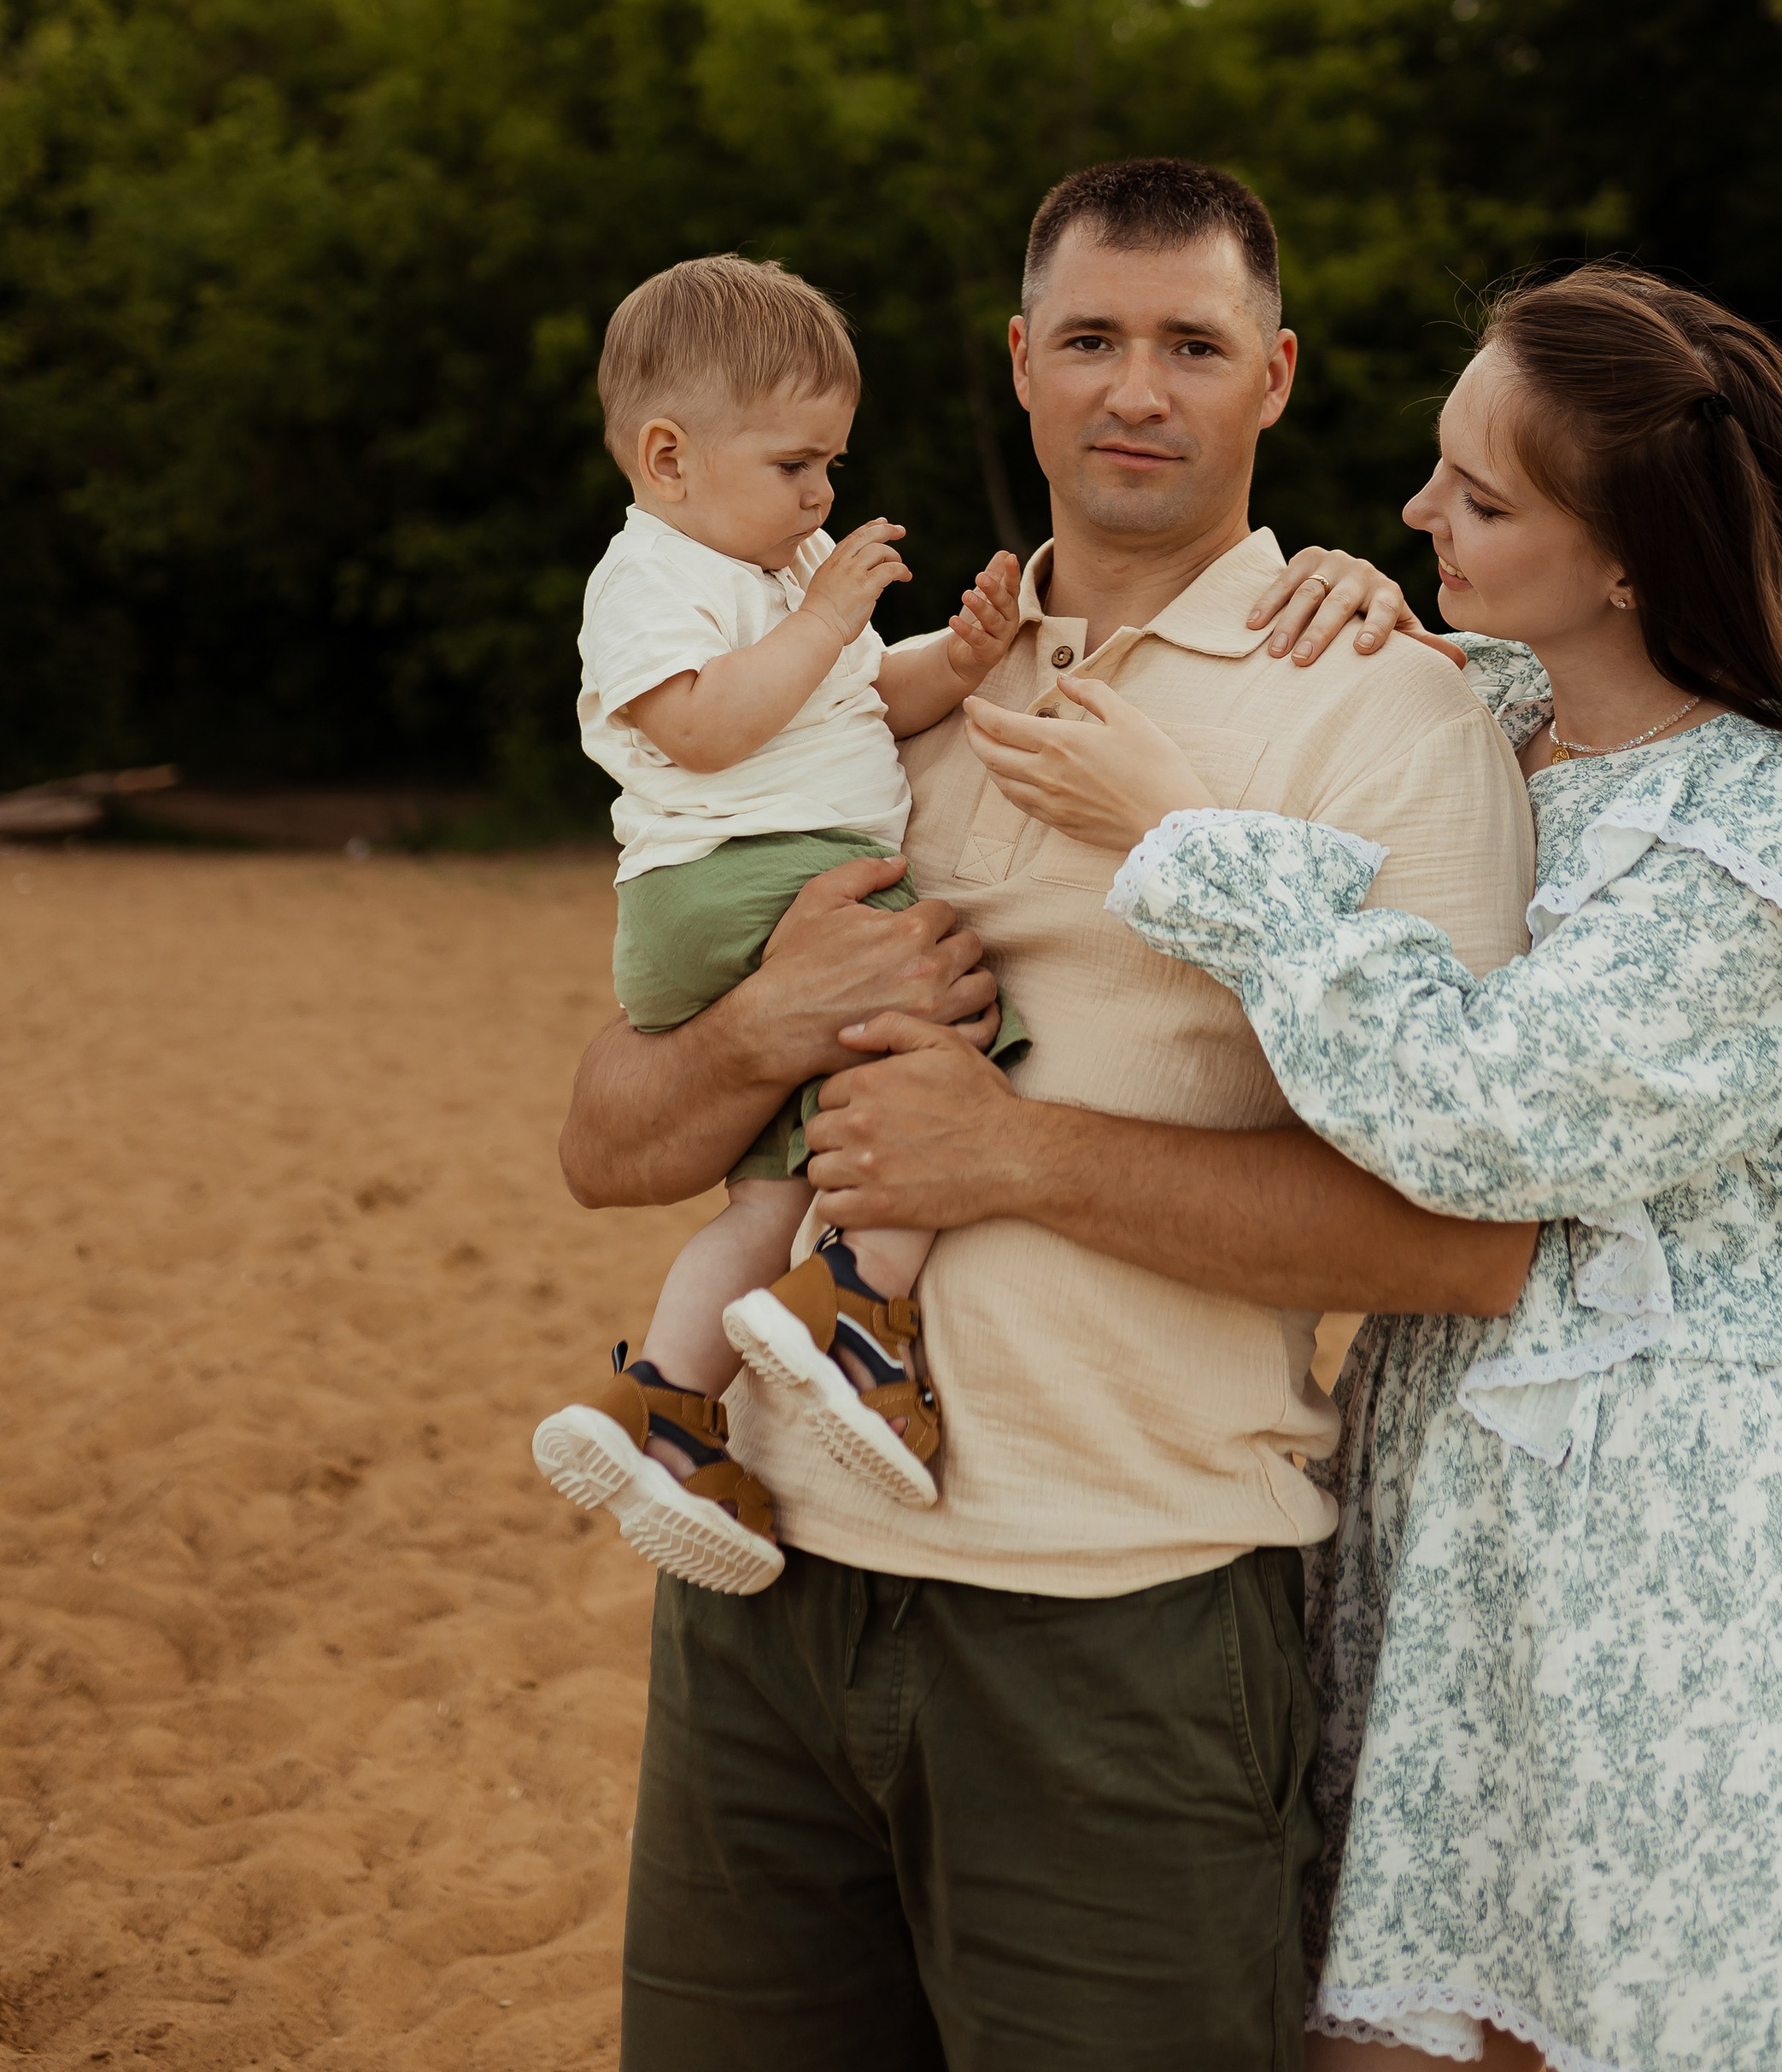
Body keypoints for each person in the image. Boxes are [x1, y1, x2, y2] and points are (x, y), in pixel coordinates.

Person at [920, 262, 1782, 2072]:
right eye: (1433, 471)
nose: (1411, 511)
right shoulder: (1511, 717)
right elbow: (1423, 730)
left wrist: (1184, 837)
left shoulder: (1763, 842)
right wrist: (1377, 605)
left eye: (1477, 495)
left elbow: (1476, 1119)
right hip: (1463, 1506)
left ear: (1624, 557)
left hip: (1673, 1547)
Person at [556, 159, 1542, 2072]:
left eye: (1190, 343)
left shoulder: (1381, 712)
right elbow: (607, 1139)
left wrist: (1010, 1158)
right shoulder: (859, 688)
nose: (1135, 390)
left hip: (1120, 1623)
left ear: (1274, 373)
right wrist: (766, 1021)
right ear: (1019, 365)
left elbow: (1461, 1234)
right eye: (1088, 339)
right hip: (757, 1591)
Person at [531, 249, 1026, 1595]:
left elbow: (875, 695)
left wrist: (958, 658)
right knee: (956, 1028)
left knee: (768, 1187)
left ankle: (671, 1407)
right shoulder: (654, 574)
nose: (821, 494)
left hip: (759, 880)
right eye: (796, 463)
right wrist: (822, 612)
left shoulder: (778, 561)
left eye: (832, 468)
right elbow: (702, 728)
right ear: (670, 455)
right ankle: (861, 1303)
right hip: (743, 875)